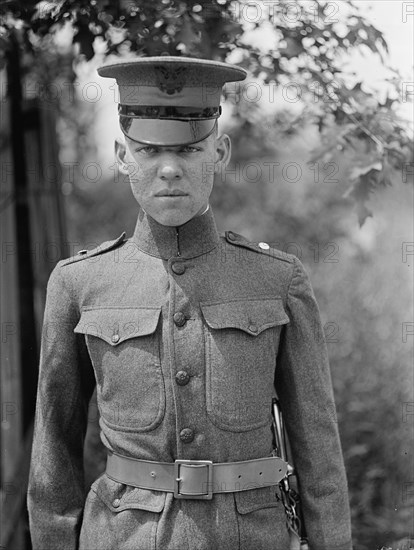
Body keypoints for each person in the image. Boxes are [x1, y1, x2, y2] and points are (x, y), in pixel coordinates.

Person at [27, 56, 353, 550]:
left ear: (219, 151)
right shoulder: (80, 283)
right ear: (121, 154)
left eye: (190, 149)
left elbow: (318, 450)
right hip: (121, 537)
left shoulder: (276, 279)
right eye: (148, 149)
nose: (169, 169)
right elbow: (54, 453)